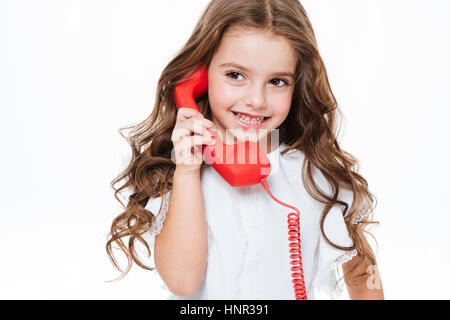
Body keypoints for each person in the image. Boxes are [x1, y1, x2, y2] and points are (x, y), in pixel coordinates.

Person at [106, 0, 384, 300]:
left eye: (277, 81)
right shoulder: (177, 172)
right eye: (235, 75)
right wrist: (187, 171)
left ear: (297, 84)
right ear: (200, 74)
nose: (256, 100)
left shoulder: (313, 174)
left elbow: (362, 273)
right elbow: (182, 282)